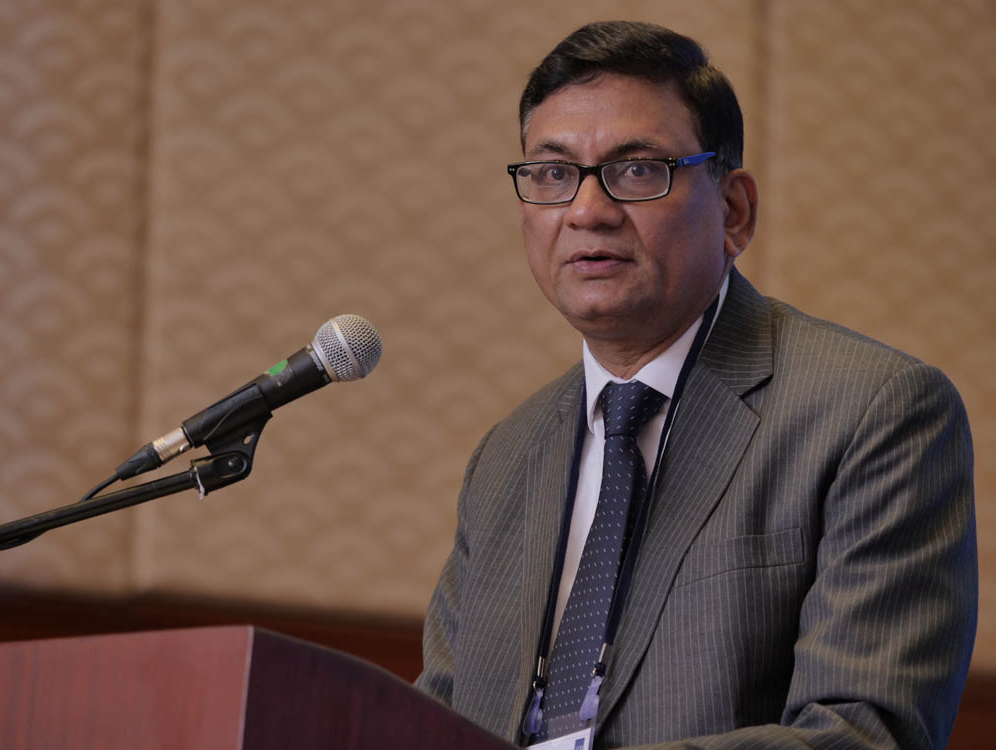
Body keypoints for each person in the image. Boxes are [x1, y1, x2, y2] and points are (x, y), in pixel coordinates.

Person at [415, 20, 976, 750]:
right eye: (553, 175)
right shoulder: (505, 457)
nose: (586, 211)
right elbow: (429, 723)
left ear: (734, 211)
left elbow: (865, 733)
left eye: (637, 169)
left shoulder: (873, 411)